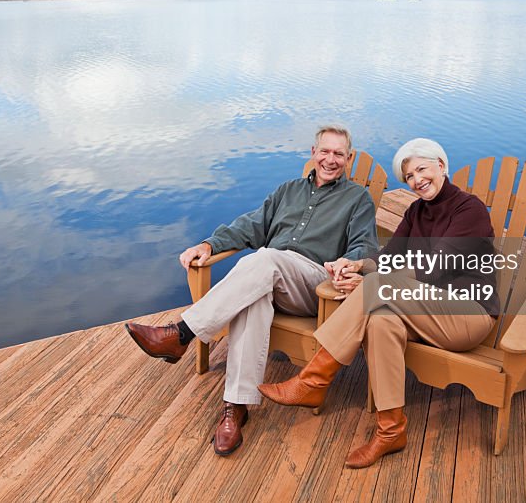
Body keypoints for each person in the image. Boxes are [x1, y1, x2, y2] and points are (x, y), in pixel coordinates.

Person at [125, 125, 378, 456]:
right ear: (313, 153)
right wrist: (209, 243)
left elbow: (366, 247)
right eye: (325, 152)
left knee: (265, 258)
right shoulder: (287, 191)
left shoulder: (356, 199)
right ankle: (236, 406)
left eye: (339, 154)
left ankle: (182, 333)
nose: (331, 160)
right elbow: (251, 225)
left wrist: (351, 263)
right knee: (253, 299)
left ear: (349, 158)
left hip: (314, 284)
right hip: (268, 278)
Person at [258, 138, 498, 468]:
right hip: (423, 311)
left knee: (378, 291)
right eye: (410, 176)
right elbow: (390, 258)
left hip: (468, 315)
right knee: (381, 320)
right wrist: (358, 266)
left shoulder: (469, 210)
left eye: (422, 169)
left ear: (441, 166)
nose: (417, 180)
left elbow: (437, 268)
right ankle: (390, 431)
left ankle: (312, 380)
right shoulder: (416, 211)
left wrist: (373, 284)